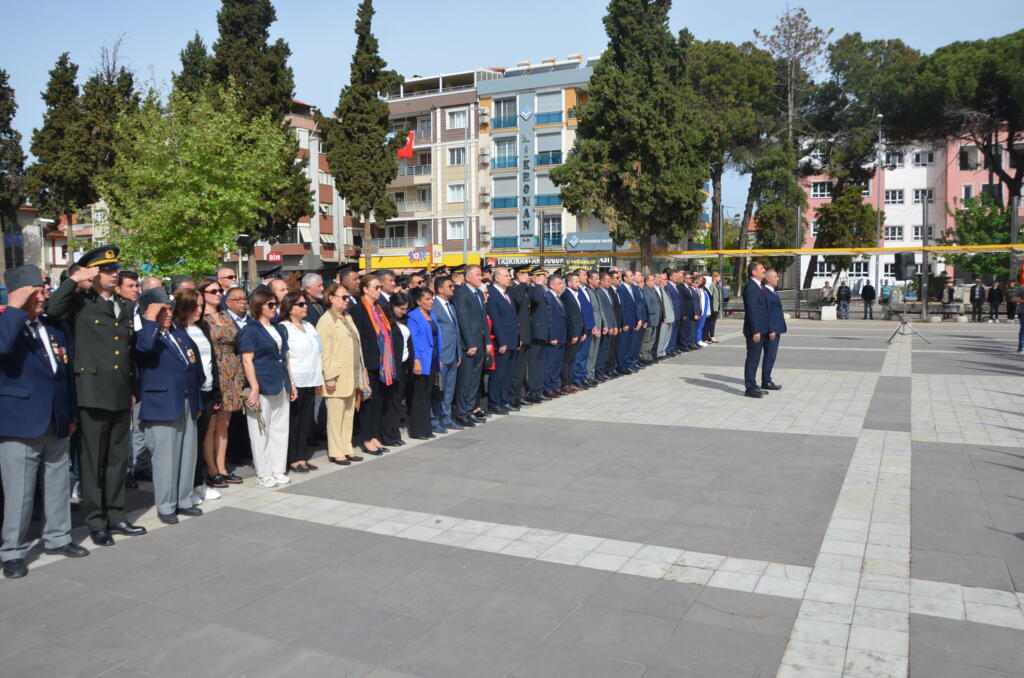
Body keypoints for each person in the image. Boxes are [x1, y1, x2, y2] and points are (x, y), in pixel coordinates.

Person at [46, 246, 147, 547]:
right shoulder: (81, 303)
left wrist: (132, 390)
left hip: (119, 392)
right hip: (91, 393)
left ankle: (117, 515)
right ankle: (96, 521)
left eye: (115, 269)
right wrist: (75, 279)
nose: (114, 274)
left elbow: (127, 352)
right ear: (93, 273)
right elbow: (54, 309)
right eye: (107, 270)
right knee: (92, 463)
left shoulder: (123, 305)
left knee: (117, 460)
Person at [1, 265, 89, 578]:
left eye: (44, 290)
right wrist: (14, 307)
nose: (43, 297)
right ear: (20, 294)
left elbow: (64, 375)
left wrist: (71, 415)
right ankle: (12, 551)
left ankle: (58, 537)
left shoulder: (51, 327)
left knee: (58, 483)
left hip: (56, 419)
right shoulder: (7, 323)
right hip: (20, 423)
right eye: (37, 291)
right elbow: (2, 346)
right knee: (20, 492)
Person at [135, 288, 205, 524]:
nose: (168, 313)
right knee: (165, 459)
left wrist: (197, 400)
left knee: (187, 455)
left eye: (169, 308)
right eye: (162, 309)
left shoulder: (178, 334)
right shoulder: (145, 335)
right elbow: (145, 349)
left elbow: (194, 369)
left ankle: (183, 499)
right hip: (161, 405)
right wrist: (150, 320)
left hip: (186, 401)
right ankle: (165, 505)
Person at [238, 289, 297, 488]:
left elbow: (285, 358)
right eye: (270, 304)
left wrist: (291, 383)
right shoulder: (250, 330)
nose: (274, 308)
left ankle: (277, 469)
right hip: (262, 384)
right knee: (260, 430)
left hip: (280, 382)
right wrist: (254, 387)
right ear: (259, 306)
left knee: (280, 428)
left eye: (276, 304)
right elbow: (247, 361)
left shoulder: (279, 328)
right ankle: (263, 472)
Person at [177, 286, 221, 506]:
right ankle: (189, 486)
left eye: (202, 306)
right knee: (189, 442)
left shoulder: (201, 327)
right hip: (191, 393)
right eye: (195, 307)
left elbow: (211, 359)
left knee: (201, 439)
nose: (199, 310)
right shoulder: (178, 330)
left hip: (208, 390)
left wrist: (217, 389)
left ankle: (199, 483)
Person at [198, 280, 244, 488]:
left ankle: (222, 467)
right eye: (213, 291)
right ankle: (211, 470)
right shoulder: (201, 317)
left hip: (232, 371)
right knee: (212, 424)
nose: (218, 294)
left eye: (219, 291)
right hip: (214, 370)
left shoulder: (225, 315)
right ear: (202, 293)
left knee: (225, 423)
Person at [317, 283, 367, 464]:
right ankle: (336, 450)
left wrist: (362, 371)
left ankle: (347, 447)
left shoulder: (348, 317)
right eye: (343, 297)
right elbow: (324, 351)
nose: (347, 300)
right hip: (336, 376)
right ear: (331, 298)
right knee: (335, 417)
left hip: (351, 374)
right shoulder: (326, 320)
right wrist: (329, 376)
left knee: (348, 415)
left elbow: (356, 346)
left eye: (348, 297)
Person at [278, 291, 323, 474]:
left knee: (306, 421)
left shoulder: (309, 326)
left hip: (311, 379)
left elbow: (317, 351)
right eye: (301, 304)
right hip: (296, 381)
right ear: (290, 308)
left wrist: (319, 378)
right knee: (294, 421)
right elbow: (285, 358)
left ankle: (302, 456)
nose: (305, 307)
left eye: (306, 304)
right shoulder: (284, 328)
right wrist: (291, 383)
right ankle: (293, 458)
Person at [349, 275, 394, 455]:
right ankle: (366, 438)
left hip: (382, 362)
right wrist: (363, 365)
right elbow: (359, 338)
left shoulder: (379, 308)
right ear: (365, 289)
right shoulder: (358, 309)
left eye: (380, 287)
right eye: (376, 287)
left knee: (378, 400)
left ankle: (374, 435)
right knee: (368, 402)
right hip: (368, 361)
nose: (379, 291)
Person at [452, 265, 489, 426]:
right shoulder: (461, 293)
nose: (481, 278)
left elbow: (483, 318)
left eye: (481, 275)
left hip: (480, 342)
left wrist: (487, 341)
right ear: (467, 277)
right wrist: (469, 343)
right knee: (465, 381)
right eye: (478, 275)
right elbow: (463, 320)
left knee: (474, 380)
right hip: (469, 345)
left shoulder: (479, 293)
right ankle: (461, 413)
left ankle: (470, 409)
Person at [406, 287, 443, 439]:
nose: (431, 302)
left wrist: (440, 358)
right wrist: (416, 360)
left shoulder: (432, 315)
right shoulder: (413, 317)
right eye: (427, 299)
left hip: (433, 358)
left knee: (428, 394)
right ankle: (417, 430)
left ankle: (427, 428)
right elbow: (413, 341)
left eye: (431, 298)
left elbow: (437, 338)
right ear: (418, 301)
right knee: (419, 395)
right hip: (421, 359)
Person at [485, 267, 519, 414]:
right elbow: (496, 320)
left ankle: (504, 400)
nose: (509, 278)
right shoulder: (492, 294)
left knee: (507, 374)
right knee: (498, 374)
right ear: (497, 278)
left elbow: (513, 318)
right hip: (502, 341)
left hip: (512, 339)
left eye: (509, 276)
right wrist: (502, 341)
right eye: (506, 276)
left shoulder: (507, 293)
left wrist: (518, 337)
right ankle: (494, 403)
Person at [431, 276, 463, 430]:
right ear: (440, 289)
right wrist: (437, 356)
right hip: (442, 355)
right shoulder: (433, 305)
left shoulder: (450, 305)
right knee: (438, 389)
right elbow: (434, 332)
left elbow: (455, 330)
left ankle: (446, 418)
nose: (453, 288)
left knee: (449, 389)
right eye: (449, 286)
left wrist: (458, 352)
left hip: (453, 354)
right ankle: (435, 419)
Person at [382, 291, 412, 447]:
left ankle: (394, 433)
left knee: (397, 402)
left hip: (403, 365)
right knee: (391, 402)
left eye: (406, 308)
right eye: (401, 308)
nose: (403, 311)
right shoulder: (388, 321)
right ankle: (388, 435)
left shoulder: (403, 320)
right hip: (392, 366)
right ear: (393, 306)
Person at [742, 261, 770, 398]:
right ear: (754, 272)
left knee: (756, 358)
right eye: (761, 269)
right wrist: (756, 331)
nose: (764, 270)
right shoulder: (751, 287)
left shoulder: (759, 286)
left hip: (762, 329)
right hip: (755, 331)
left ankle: (753, 385)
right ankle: (750, 388)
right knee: (752, 358)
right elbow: (752, 311)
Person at [543, 275, 568, 398]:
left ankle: (555, 386)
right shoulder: (549, 297)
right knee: (550, 363)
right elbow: (550, 319)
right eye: (559, 283)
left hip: (561, 335)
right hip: (554, 336)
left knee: (557, 363)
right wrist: (551, 336)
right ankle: (548, 388)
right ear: (551, 285)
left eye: (561, 283)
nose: (561, 285)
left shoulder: (557, 297)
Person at [559, 272, 584, 393]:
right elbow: (569, 317)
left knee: (572, 359)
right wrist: (573, 334)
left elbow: (579, 314)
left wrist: (582, 331)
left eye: (579, 281)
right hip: (572, 334)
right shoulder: (566, 296)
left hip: (578, 332)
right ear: (569, 283)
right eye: (576, 282)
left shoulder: (576, 295)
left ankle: (570, 381)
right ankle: (565, 384)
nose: (578, 284)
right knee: (567, 359)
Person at [761, 270, 786, 391]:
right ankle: (766, 381)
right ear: (768, 279)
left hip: (776, 328)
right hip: (772, 330)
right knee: (770, 355)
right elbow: (767, 313)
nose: (778, 278)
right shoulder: (766, 292)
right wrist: (771, 330)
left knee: (771, 355)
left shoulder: (772, 291)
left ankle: (767, 378)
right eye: (775, 276)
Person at [705, 271, 722, 342]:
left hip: (717, 307)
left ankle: (711, 335)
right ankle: (711, 336)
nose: (720, 278)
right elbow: (710, 297)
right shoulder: (712, 285)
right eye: (718, 277)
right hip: (713, 307)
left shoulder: (717, 285)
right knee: (711, 322)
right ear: (714, 277)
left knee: (713, 322)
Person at [695, 275, 710, 348]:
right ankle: (698, 340)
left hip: (704, 311)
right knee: (699, 326)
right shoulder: (698, 290)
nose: (702, 282)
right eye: (701, 281)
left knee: (701, 326)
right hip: (701, 312)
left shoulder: (704, 291)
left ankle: (700, 339)